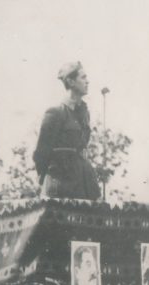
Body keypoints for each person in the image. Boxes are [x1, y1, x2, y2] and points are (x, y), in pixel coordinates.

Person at [33, 62, 100, 200]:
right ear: (70, 81)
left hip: (84, 182)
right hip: (62, 183)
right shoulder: (55, 113)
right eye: (83, 77)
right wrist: (48, 181)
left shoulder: (84, 114)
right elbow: (41, 153)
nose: (88, 81)